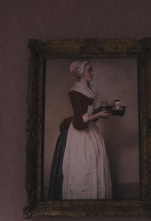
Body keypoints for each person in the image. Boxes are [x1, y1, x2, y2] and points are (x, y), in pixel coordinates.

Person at [48, 61, 113, 200]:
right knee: (82, 168)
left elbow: (89, 116)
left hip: (90, 131)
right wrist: (100, 114)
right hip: (78, 134)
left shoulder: (91, 89)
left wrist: (103, 111)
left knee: (94, 164)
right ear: (82, 73)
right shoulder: (76, 91)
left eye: (92, 70)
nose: (92, 73)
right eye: (89, 70)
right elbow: (79, 120)